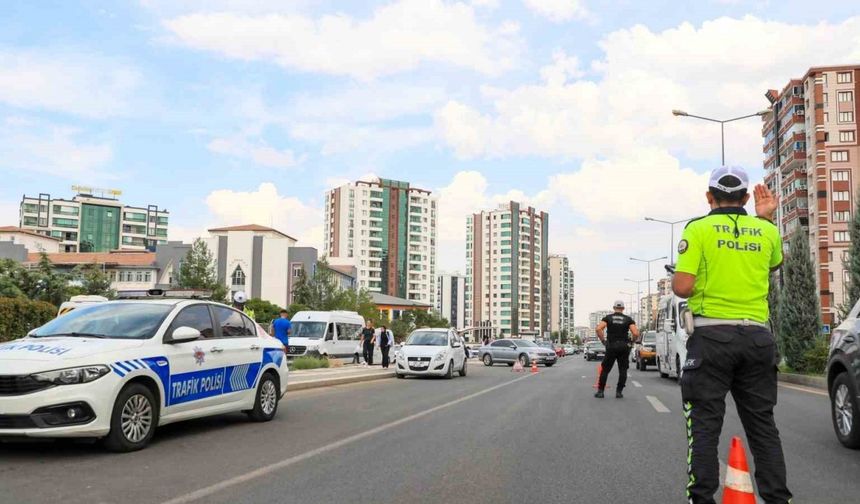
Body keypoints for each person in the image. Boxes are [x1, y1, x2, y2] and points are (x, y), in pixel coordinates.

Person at [672, 166, 791, 504]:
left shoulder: (699, 229)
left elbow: (682, 287)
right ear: (745, 198)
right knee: (763, 427)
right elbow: (772, 264)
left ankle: (701, 499)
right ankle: (779, 499)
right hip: (757, 339)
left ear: (710, 197)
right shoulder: (766, 231)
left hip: (711, 339)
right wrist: (764, 220)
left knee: (705, 427)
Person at [594, 300, 639, 398]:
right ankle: (619, 392)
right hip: (624, 347)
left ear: (614, 308)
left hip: (611, 346)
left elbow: (598, 329)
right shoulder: (628, 319)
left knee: (605, 369)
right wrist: (631, 342)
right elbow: (635, 333)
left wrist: (603, 341)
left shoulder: (608, 318)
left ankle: (601, 392)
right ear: (623, 308)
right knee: (623, 370)